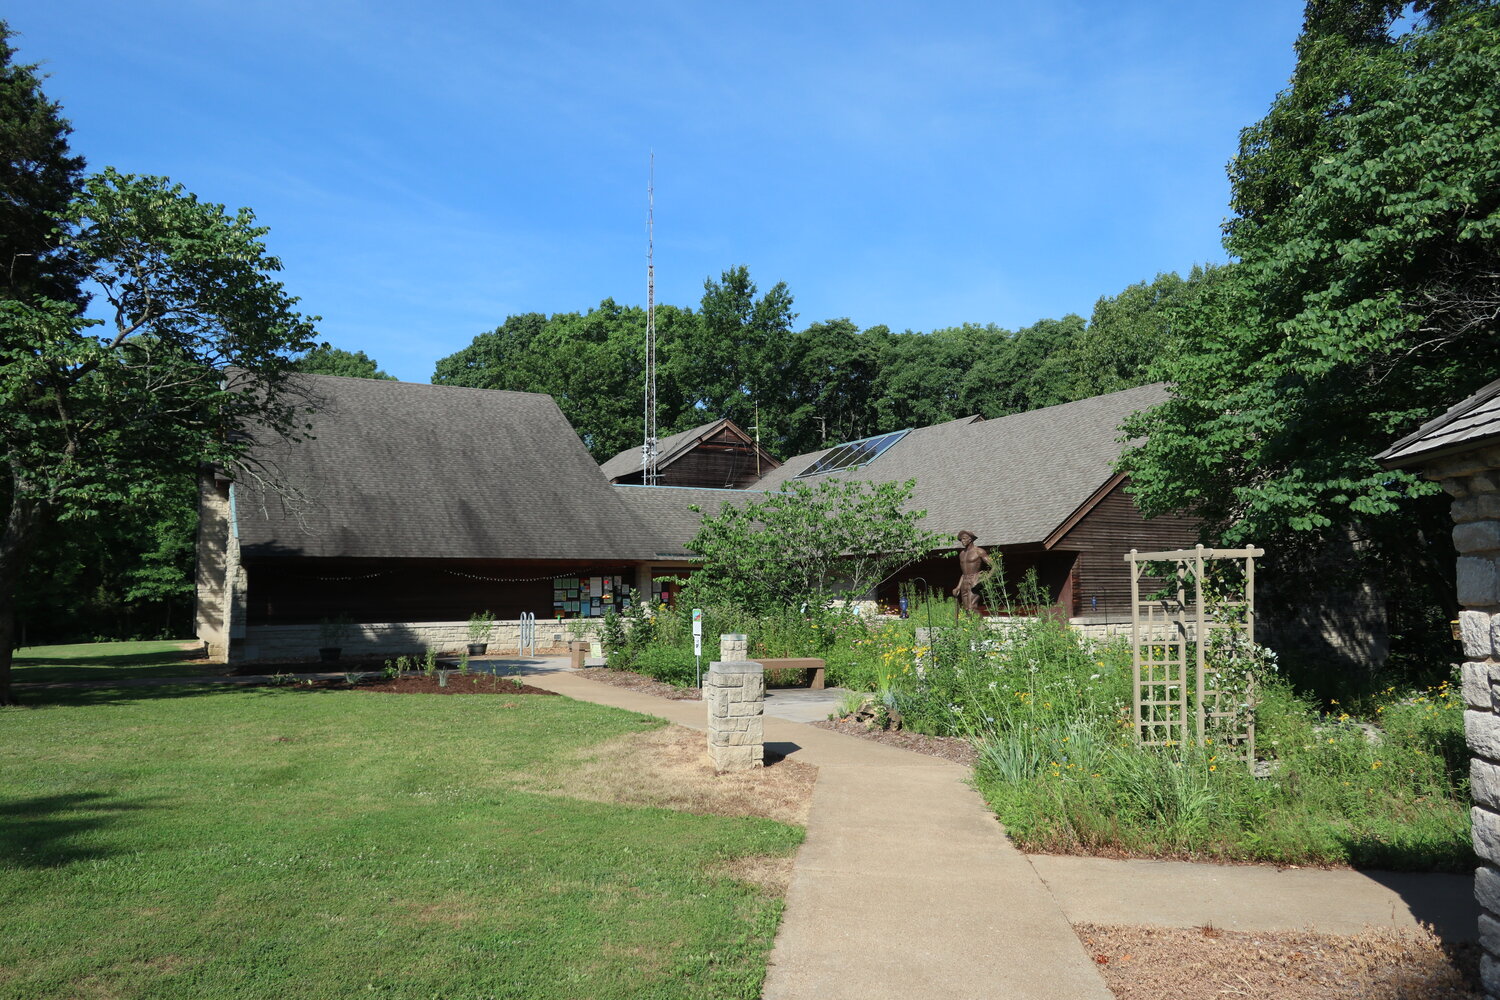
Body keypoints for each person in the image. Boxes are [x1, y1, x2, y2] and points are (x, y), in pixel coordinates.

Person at [952, 529, 994, 614]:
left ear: (970, 539)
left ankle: (981, 627)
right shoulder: (962, 554)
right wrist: (958, 587)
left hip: (974, 580)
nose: (962, 541)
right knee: (966, 609)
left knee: (972, 608)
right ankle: (972, 627)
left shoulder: (979, 551)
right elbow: (963, 574)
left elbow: (995, 566)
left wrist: (986, 578)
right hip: (964, 581)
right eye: (961, 539)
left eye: (964, 538)